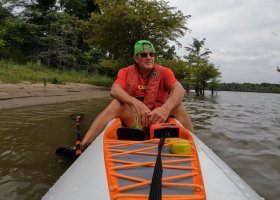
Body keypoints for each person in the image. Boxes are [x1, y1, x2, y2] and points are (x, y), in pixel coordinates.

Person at [81, 40, 193, 147]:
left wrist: (166, 108)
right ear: (136, 58)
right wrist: (135, 103)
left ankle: (194, 144)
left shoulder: (165, 72)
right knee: (116, 103)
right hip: (136, 120)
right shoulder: (125, 72)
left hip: (159, 119)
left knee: (178, 106)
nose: (149, 58)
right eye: (144, 55)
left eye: (151, 54)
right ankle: (83, 145)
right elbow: (115, 90)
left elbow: (179, 89)